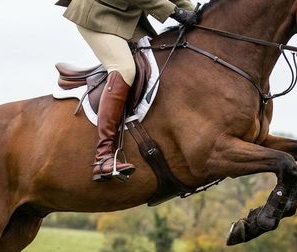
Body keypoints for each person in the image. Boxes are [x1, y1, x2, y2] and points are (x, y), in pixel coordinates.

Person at [58, 0, 198, 182]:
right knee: (124, 68)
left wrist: (195, 12)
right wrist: (175, 12)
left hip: (126, 15)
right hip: (98, 12)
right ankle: (103, 156)